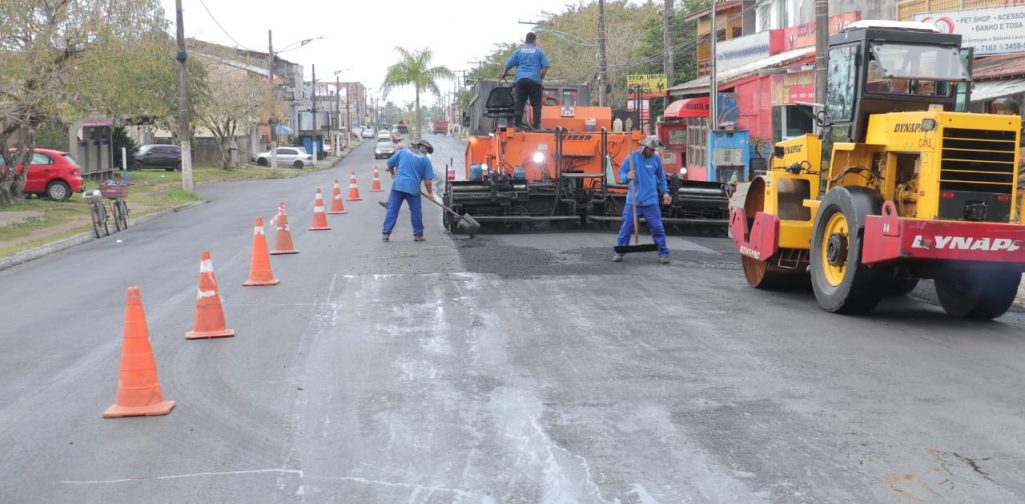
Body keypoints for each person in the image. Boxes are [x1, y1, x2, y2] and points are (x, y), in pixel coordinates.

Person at [613, 136, 671, 264]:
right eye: (651, 149)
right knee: (626, 228)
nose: (652, 152)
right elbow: (621, 173)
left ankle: (663, 253)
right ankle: (620, 252)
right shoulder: (632, 158)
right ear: (644, 147)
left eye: (654, 150)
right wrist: (627, 176)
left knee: (657, 228)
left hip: (651, 201)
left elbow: (662, 178)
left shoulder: (656, 159)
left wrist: (666, 193)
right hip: (633, 200)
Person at [382, 139, 435, 242]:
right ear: (423, 147)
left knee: (392, 209)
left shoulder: (403, 152)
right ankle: (418, 235)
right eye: (427, 150)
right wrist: (430, 193)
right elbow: (428, 181)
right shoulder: (425, 160)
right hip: (412, 188)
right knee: (416, 211)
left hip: (398, 186)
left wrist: (393, 174)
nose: (426, 152)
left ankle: (386, 233)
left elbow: (389, 163)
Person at [502, 32, 550, 130]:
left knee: (519, 103)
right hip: (534, 81)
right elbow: (545, 66)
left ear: (526, 41)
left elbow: (507, 65)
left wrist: (504, 73)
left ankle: (518, 125)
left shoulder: (518, 51)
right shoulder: (539, 52)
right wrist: (541, 77)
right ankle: (536, 126)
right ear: (534, 41)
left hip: (521, 81)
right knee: (536, 105)